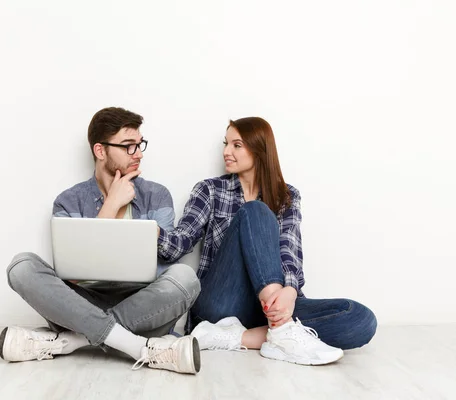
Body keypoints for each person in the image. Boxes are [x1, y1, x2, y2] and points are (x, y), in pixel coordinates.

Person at [157, 117, 377, 366]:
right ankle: (282, 331)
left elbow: (290, 250)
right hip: (221, 305)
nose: (226, 151)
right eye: (226, 144)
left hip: (267, 310)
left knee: (360, 319)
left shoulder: (287, 196)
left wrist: (290, 293)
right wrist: (153, 234)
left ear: (259, 149)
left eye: (236, 145)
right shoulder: (209, 190)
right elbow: (179, 244)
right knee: (255, 211)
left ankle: (247, 337)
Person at [0, 107, 201, 374]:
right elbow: (72, 273)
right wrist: (111, 205)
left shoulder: (155, 194)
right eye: (128, 146)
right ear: (100, 151)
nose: (138, 153)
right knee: (21, 266)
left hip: (142, 305)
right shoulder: (69, 200)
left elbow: (166, 259)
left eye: (140, 145)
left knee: (185, 278)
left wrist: (145, 230)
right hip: (81, 303)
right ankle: (136, 347)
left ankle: (74, 340)